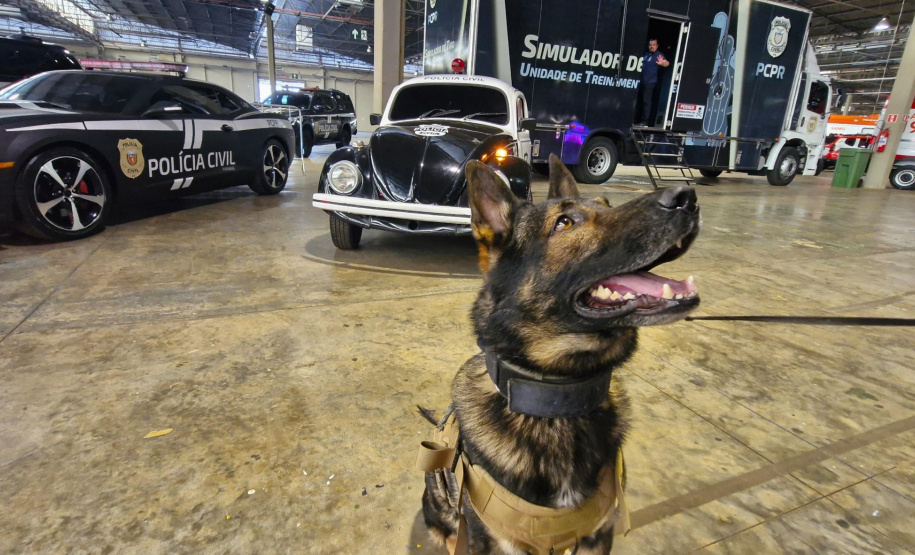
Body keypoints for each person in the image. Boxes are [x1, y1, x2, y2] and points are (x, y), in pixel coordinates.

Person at [636, 39, 669, 126]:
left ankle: (645, 121)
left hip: (650, 82)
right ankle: (638, 119)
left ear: (657, 46)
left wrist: (663, 63)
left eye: (654, 45)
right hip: (642, 81)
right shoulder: (647, 54)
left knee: (646, 101)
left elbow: (666, 63)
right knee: (640, 101)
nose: (652, 46)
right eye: (650, 45)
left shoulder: (659, 55)